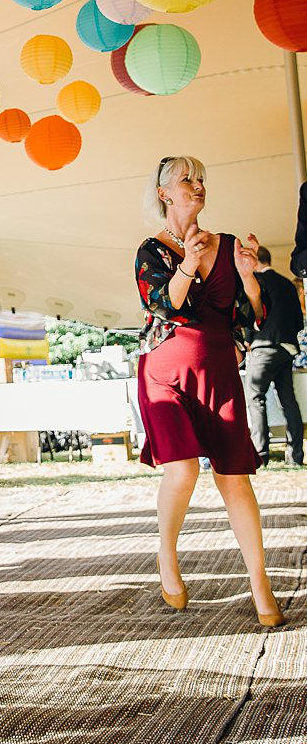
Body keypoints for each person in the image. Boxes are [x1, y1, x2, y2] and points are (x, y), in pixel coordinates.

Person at [135, 156, 283, 627]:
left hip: (217, 371)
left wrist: (248, 279)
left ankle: (261, 585)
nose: (197, 186)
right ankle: (167, 557)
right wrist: (189, 264)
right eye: (186, 180)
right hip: (163, 372)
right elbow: (161, 306)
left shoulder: (229, 244)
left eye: (201, 180)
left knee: (234, 477)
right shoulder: (151, 250)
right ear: (165, 194)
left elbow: (250, 316)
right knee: (181, 472)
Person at [245, 245, 304, 468]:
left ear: (255, 261)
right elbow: (299, 320)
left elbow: (250, 313)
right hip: (288, 346)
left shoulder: (256, 283)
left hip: (264, 345)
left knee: (255, 398)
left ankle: (261, 454)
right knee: (288, 400)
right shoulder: (288, 284)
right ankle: (296, 455)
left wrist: (248, 339)